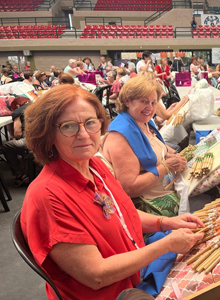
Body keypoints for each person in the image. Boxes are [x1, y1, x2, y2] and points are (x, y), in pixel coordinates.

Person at [21, 84, 204, 300]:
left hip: (134, 274)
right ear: (47, 133)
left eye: (90, 123)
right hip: (117, 294)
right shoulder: (48, 197)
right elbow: (96, 275)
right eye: (68, 127)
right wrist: (168, 243)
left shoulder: (93, 166)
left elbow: (123, 213)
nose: (84, 135)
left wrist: (166, 222)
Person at [100, 76, 188, 217]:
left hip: (167, 189)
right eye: (144, 101)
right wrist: (166, 166)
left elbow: (159, 148)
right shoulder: (121, 137)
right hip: (151, 206)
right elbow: (130, 188)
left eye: (154, 103)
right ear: (127, 101)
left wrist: (175, 156)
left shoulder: (144, 122)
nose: (150, 108)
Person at [1, 96, 31, 186]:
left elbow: (17, 133)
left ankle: (20, 175)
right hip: (47, 138)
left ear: (17, 105)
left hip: (30, 140)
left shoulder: (18, 111)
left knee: (6, 146)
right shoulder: (37, 106)